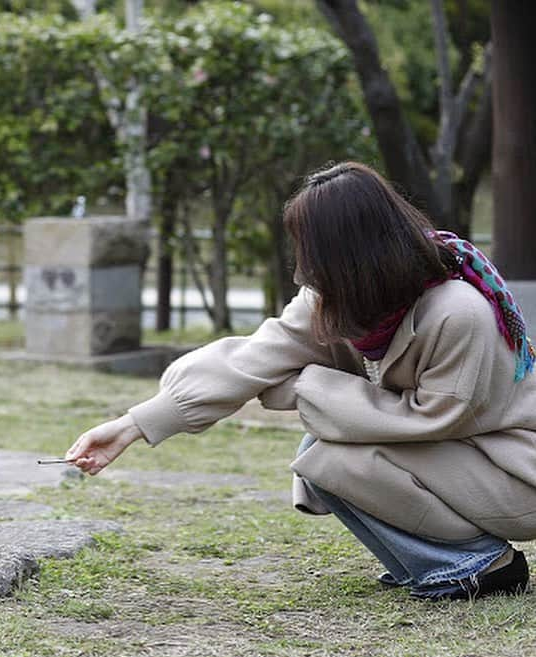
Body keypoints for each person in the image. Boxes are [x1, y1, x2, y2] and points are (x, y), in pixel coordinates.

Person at [66, 161, 536, 601]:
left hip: (513, 470)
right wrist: (132, 425)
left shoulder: (458, 311)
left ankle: (478, 563)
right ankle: (434, 562)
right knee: (318, 453)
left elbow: (436, 418)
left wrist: (307, 389)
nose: (301, 267)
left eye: (311, 250)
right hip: (460, 461)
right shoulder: (338, 302)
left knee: (330, 455)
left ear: (352, 253)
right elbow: (252, 358)